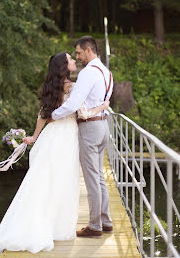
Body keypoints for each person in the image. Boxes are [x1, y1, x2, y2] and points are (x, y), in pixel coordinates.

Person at [0, 52, 109, 258]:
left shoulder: (51, 86)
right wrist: (103, 106)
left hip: (51, 137)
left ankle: (42, 220)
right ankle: (57, 226)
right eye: (70, 59)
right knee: (63, 181)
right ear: (64, 66)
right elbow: (83, 112)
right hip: (67, 138)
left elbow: (43, 114)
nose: (74, 60)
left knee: (46, 179)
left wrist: (34, 136)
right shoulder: (73, 87)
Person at [52, 36, 114, 238]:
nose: (77, 57)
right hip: (103, 126)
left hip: (89, 128)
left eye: (78, 52)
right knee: (99, 178)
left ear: (89, 50)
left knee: (91, 180)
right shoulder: (107, 72)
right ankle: (106, 221)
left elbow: (72, 104)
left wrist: (52, 115)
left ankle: (95, 225)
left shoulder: (88, 73)